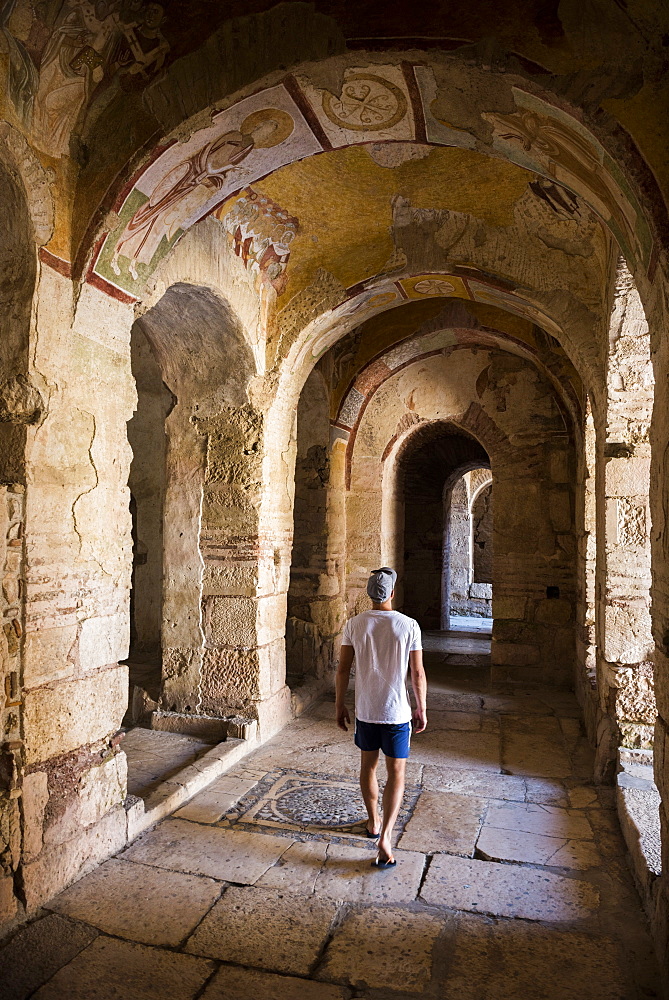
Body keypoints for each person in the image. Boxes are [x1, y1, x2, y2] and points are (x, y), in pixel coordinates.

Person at [336, 566, 427, 868]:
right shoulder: (408, 625)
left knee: (368, 767)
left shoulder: (355, 624)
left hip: (366, 710)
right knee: (396, 774)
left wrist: (339, 705)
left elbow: (342, 670)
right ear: (392, 593)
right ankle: (386, 835)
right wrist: (421, 707)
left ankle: (373, 821)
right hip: (396, 712)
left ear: (369, 594)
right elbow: (417, 673)